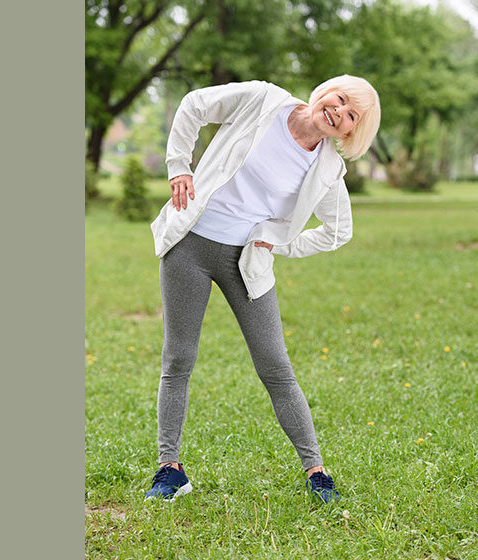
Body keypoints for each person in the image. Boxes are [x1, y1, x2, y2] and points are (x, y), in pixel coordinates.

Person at [145, 75, 381, 504]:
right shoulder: (263, 100)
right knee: (178, 358)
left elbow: (337, 232)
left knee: (275, 366)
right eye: (340, 98)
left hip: (247, 263)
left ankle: (316, 472)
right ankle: (169, 469)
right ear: (326, 89)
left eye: (350, 117)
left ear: (348, 133)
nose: (337, 111)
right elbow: (194, 104)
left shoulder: (327, 167)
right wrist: (179, 164)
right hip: (189, 247)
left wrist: (277, 239)